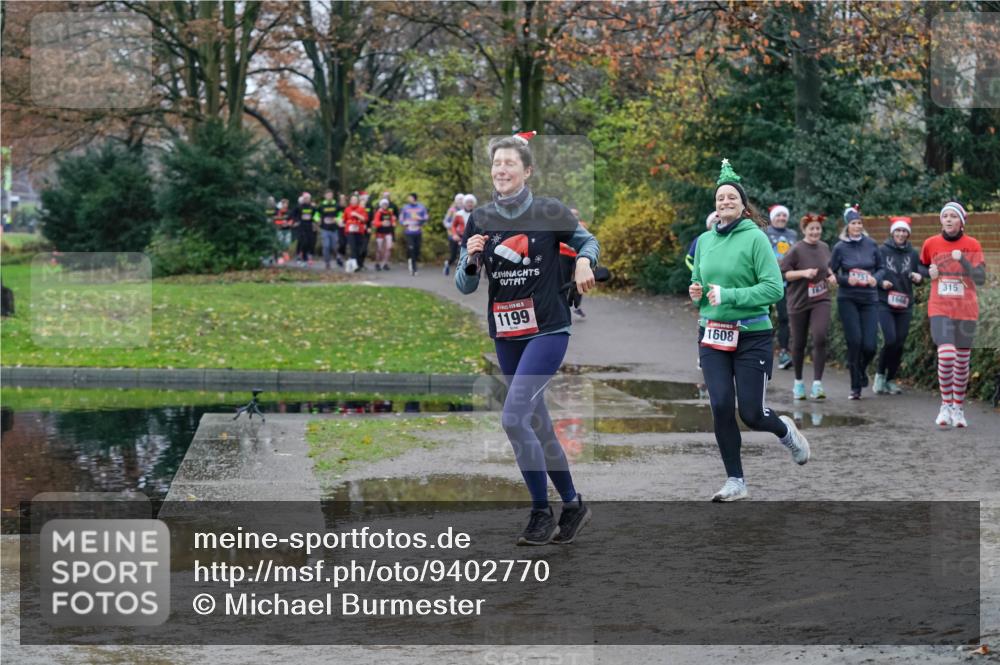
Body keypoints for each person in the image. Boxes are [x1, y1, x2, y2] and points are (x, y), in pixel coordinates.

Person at [456, 132, 599, 545]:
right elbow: (465, 285)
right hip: (507, 333)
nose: (501, 170)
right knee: (537, 422)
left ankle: (540, 512)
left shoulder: (548, 210)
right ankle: (572, 504)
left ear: (527, 170)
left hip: (547, 329)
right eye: (496, 163)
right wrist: (469, 258)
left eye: (510, 163)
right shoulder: (480, 218)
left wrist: (584, 262)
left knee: (513, 417)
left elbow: (587, 241)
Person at [689, 159, 810, 503]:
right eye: (720, 198)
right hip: (712, 334)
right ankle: (735, 481)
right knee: (721, 405)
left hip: (751, 335)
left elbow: (774, 288)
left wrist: (730, 295)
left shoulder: (756, 238)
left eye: (732, 197)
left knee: (752, 413)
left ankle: (786, 431)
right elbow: (698, 281)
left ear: (743, 206)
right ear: (715, 206)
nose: (725, 201)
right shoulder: (704, 241)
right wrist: (696, 292)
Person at [919, 201, 987, 428]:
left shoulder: (972, 244)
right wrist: (928, 272)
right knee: (947, 354)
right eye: (945, 216)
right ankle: (945, 404)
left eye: (953, 216)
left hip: (966, 310)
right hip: (940, 307)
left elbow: (980, 279)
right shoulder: (931, 243)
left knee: (962, 361)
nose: (948, 219)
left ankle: (958, 407)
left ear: (961, 221)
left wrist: (963, 260)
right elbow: (920, 267)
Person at [830, 204, 883, 399]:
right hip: (848, 299)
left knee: (870, 345)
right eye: (853, 223)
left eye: (860, 223)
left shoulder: (871, 244)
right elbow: (831, 272)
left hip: (869, 299)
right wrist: (845, 280)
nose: (857, 226)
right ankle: (855, 387)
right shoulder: (840, 247)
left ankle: (860, 369)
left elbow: (881, 267)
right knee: (855, 341)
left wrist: (875, 278)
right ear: (847, 226)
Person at [780, 213, 836, 400]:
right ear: (804, 230)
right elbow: (784, 274)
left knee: (820, 336)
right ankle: (798, 382)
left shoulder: (824, 247)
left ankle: (817, 384)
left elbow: (826, 266)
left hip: (821, 298)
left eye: (818, 228)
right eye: (811, 228)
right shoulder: (796, 249)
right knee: (799, 342)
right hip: (799, 301)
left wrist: (830, 276)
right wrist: (803, 273)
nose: (815, 232)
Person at [873, 217, 926, 395]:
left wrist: (919, 278)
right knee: (890, 339)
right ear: (892, 232)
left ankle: (891, 379)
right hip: (884, 302)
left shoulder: (913, 253)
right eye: (898, 231)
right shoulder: (881, 251)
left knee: (899, 342)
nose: (901, 234)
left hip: (904, 303)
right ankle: (880, 375)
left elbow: (920, 273)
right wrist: (881, 283)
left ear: (908, 234)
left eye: (904, 231)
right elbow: (873, 273)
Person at [765, 205, 797, 370]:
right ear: (772, 217)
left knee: (784, 318)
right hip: (766, 282)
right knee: (764, 317)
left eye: (784, 216)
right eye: (778, 215)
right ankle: (762, 351)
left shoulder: (792, 235)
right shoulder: (765, 233)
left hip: (786, 283)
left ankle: (784, 353)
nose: (782, 218)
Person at [445, 194, 474, 276]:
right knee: (454, 256)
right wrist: (454, 234)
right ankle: (448, 263)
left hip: (469, 237)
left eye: (471, 202)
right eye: (467, 202)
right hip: (458, 236)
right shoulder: (456, 212)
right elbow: (451, 224)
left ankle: (464, 273)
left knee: (468, 255)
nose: (469, 204)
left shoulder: (475, 213)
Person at [400, 192, 429, 275]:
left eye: (410, 197)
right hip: (409, 231)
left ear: (414, 198)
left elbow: (426, 218)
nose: (408, 199)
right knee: (411, 249)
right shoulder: (405, 207)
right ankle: (414, 269)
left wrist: (420, 218)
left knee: (417, 249)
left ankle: (411, 260)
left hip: (418, 231)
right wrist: (404, 223)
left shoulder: (421, 207)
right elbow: (401, 218)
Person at [343, 194, 369, 272]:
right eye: (352, 199)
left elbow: (365, 219)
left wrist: (356, 214)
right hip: (350, 231)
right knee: (352, 247)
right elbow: (344, 219)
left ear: (357, 201)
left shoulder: (361, 209)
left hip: (359, 231)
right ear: (350, 201)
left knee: (359, 249)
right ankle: (354, 265)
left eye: (355, 200)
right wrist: (342, 222)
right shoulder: (347, 209)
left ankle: (354, 264)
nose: (353, 201)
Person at [291, 193, 318, 265]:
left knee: (309, 241)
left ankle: (305, 256)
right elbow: (293, 214)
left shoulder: (312, 207)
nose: (306, 199)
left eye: (308, 198)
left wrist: (315, 222)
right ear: (303, 199)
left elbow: (316, 215)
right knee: (303, 240)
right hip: (301, 226)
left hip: (309, 225)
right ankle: (298, 255)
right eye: (305, 198)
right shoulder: (299, 207)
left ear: (310, 199)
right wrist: (296, 221)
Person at [317, 190, 341, 270]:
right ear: (325, 196)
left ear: (332, 196)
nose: (329, 196)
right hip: (325, 229)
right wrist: (318, 220)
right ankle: (327, 262)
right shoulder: (321, 205)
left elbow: (341, 214)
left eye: (331, 195)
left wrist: (337, 219)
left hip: (334, 229)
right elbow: (316, 214)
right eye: (328, 195)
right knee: (326, 246)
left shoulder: (336, 205)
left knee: (334, 247)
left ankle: (337, 257)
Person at [372, 198, 397, 271]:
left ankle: (385, 263)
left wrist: (393, 223)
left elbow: (392, 222)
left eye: (386, 204)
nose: (385, 206)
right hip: (380, 233)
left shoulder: (390, 213)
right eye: (383, 204)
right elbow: (375, 223)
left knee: (388, 248)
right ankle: (377, 263)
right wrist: (382, 223)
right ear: (381, 205)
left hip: (388, 232)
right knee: (379, 249)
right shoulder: (378, 213)